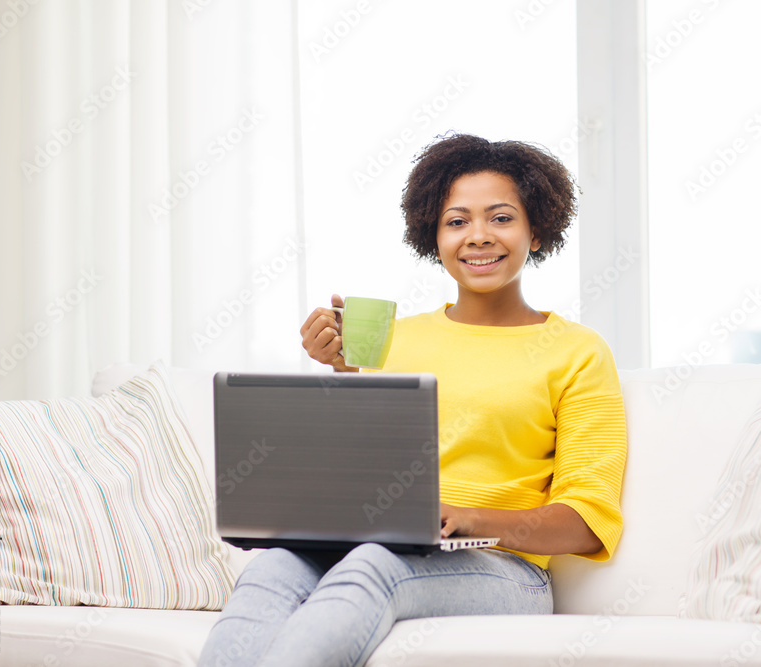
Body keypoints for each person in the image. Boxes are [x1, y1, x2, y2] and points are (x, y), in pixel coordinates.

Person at [197, 133, 627, 667]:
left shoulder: (577, 351)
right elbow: (360, 473)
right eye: (457, 221)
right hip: (374, 547)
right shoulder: (392, 339)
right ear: (435, 235)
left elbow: (587, 523)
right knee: (270, 567)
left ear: (536, 232)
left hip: (504, 570)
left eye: (500, 218)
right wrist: (339, 373)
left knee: (371, 566)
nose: (477, 236)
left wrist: (469, 518)